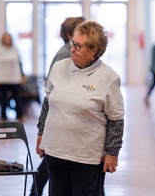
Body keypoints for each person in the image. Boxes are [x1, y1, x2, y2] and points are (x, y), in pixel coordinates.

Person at [35, 21, 125, 196]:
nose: (72, 49)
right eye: (72, 43)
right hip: (55, 152)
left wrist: (112, 153)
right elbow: (48, 102)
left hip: (87, 158)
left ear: (94, 52)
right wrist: (41, 133)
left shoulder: (108, 78)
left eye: (79, 46)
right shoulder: (59, 67)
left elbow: (116, 118)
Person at [30, 16, 86, 196]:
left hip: (65, 122)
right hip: (60, 120)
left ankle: (34, 192)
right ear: (70, 35)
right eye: (80, 29)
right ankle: (34, 192)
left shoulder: (72, 53)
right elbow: (53, 91)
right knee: (50, 162)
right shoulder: (66, 54)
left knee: (50, 163)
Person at [0, 32, 26, 122]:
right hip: (3, 78)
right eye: (6, 38)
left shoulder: (15, 49)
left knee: (17, 98)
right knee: (3, 98)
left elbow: (20, 63)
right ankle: (3, 117)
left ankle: (20, 116)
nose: (7, 40)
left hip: (15, 77)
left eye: (9, 38)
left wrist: (22, 75)